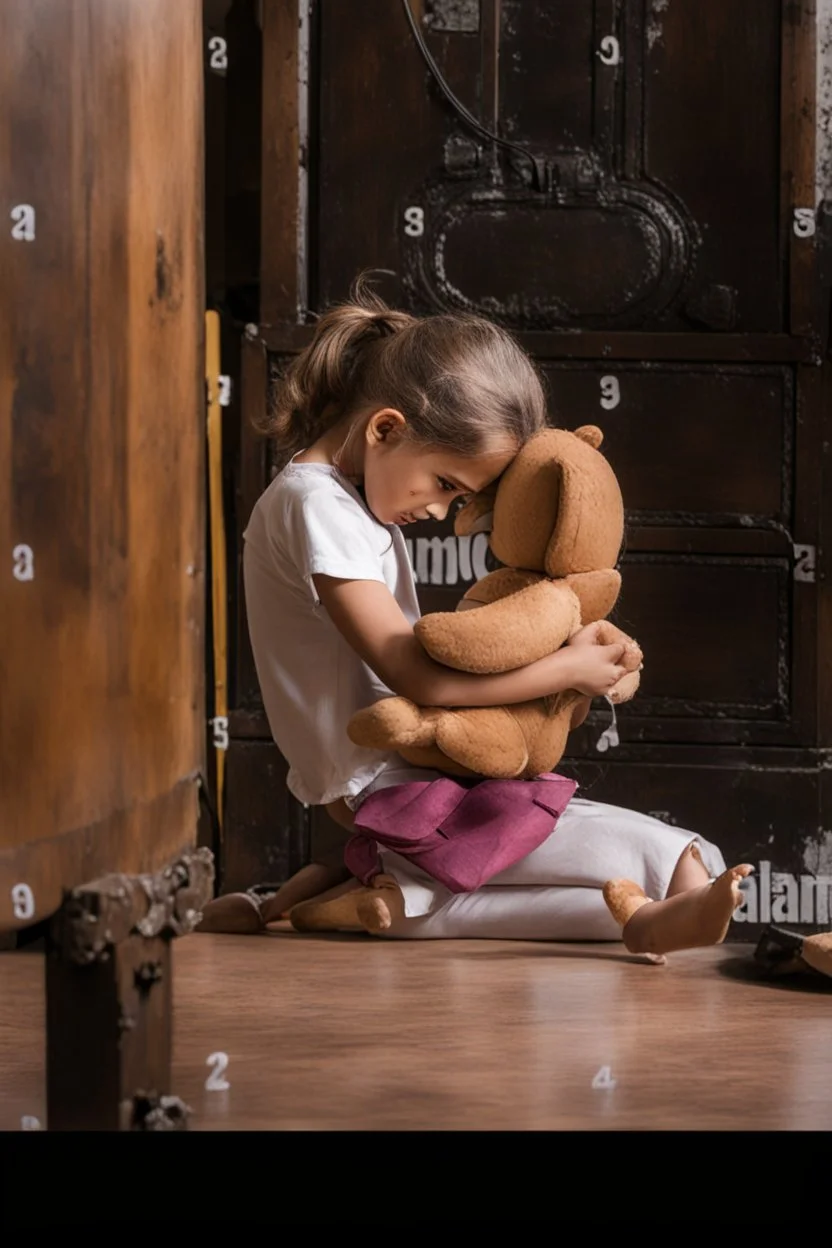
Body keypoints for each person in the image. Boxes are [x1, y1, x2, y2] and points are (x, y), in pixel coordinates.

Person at [197, 275, 752, 955]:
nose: (438, 512)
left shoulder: (339, 503)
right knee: (669, 854)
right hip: (391, 787)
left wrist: (562, 652)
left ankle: (368, 890)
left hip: (413, 772)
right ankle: (375, 878)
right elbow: (420, 680)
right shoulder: (317, 509)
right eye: (446, 485)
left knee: (644, 875)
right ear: (385, 428)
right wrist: (563, 668)